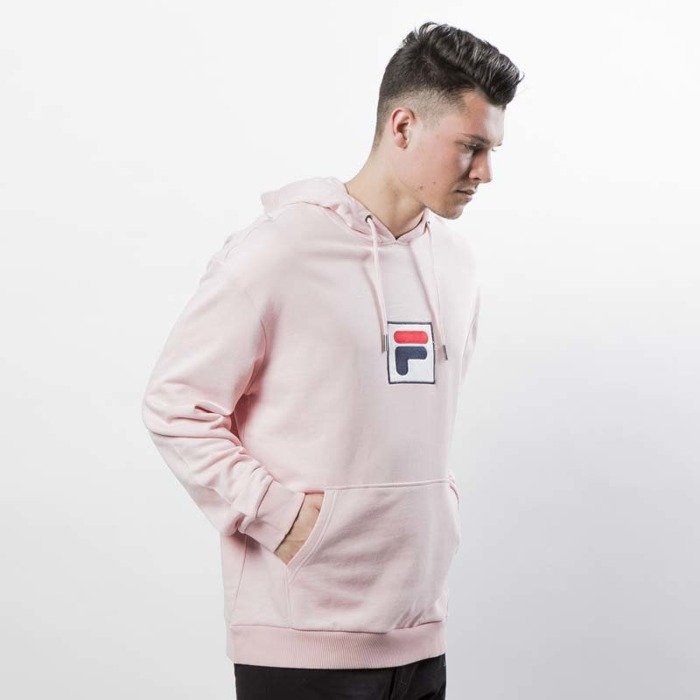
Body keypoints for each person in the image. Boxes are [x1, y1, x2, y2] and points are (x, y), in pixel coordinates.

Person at [141, 20, 522, 699]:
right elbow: (176, 405)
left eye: (491, 151)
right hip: (302, 640)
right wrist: (283, 519)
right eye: (471, 147)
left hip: (420, 631)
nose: (485, 173)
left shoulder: (457, 265)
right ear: (402, 126)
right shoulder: (279, 251)